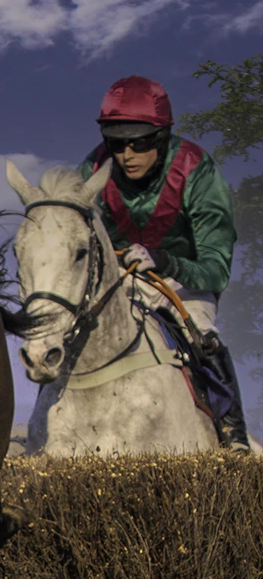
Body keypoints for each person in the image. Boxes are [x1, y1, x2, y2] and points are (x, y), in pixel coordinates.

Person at [80, 75, 246, 449]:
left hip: (183, 282)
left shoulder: (196, 169)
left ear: (162, 136)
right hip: (120, 279)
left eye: (139, 143)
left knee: (202, 337)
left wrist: (166, 261)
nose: (126, 155)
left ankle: (233, 436)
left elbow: (216, 270)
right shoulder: (93, 169)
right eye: (117, 143)